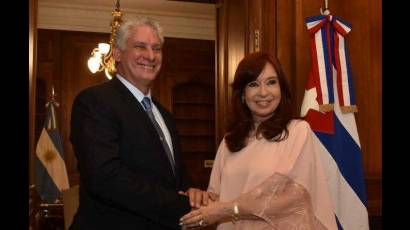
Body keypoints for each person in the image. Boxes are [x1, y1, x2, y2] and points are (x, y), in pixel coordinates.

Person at [69, 16, 208, 229]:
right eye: (140, 46)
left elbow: (175, 176)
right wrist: (181, 204)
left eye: (157, 48)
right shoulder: (94, 101)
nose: (150, 56)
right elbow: (105, 178)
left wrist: (192, 192)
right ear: (117, 53)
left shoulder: (164, 115)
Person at [180, 52, 337, 229]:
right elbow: (216, 197)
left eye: (271, 82)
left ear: (281, 89)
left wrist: (228, 209)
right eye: (253, 84)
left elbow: (291, 198)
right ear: (242, 95)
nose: (263, 92)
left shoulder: (298, 132)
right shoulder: (229, 141)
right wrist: (195, 198)